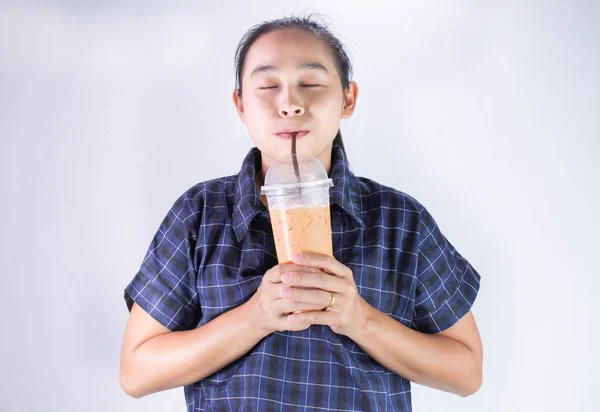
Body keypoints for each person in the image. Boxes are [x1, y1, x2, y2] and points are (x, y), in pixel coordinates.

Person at [120, 14, 483, 412]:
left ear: (348, 99)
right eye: (268, 86)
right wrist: (254, 318)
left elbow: (466, 371)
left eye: (310, 83)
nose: (290, 104)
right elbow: (137, 371)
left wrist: (359, 320)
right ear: (240, 104)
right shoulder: (200, 214)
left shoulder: (400, 221)